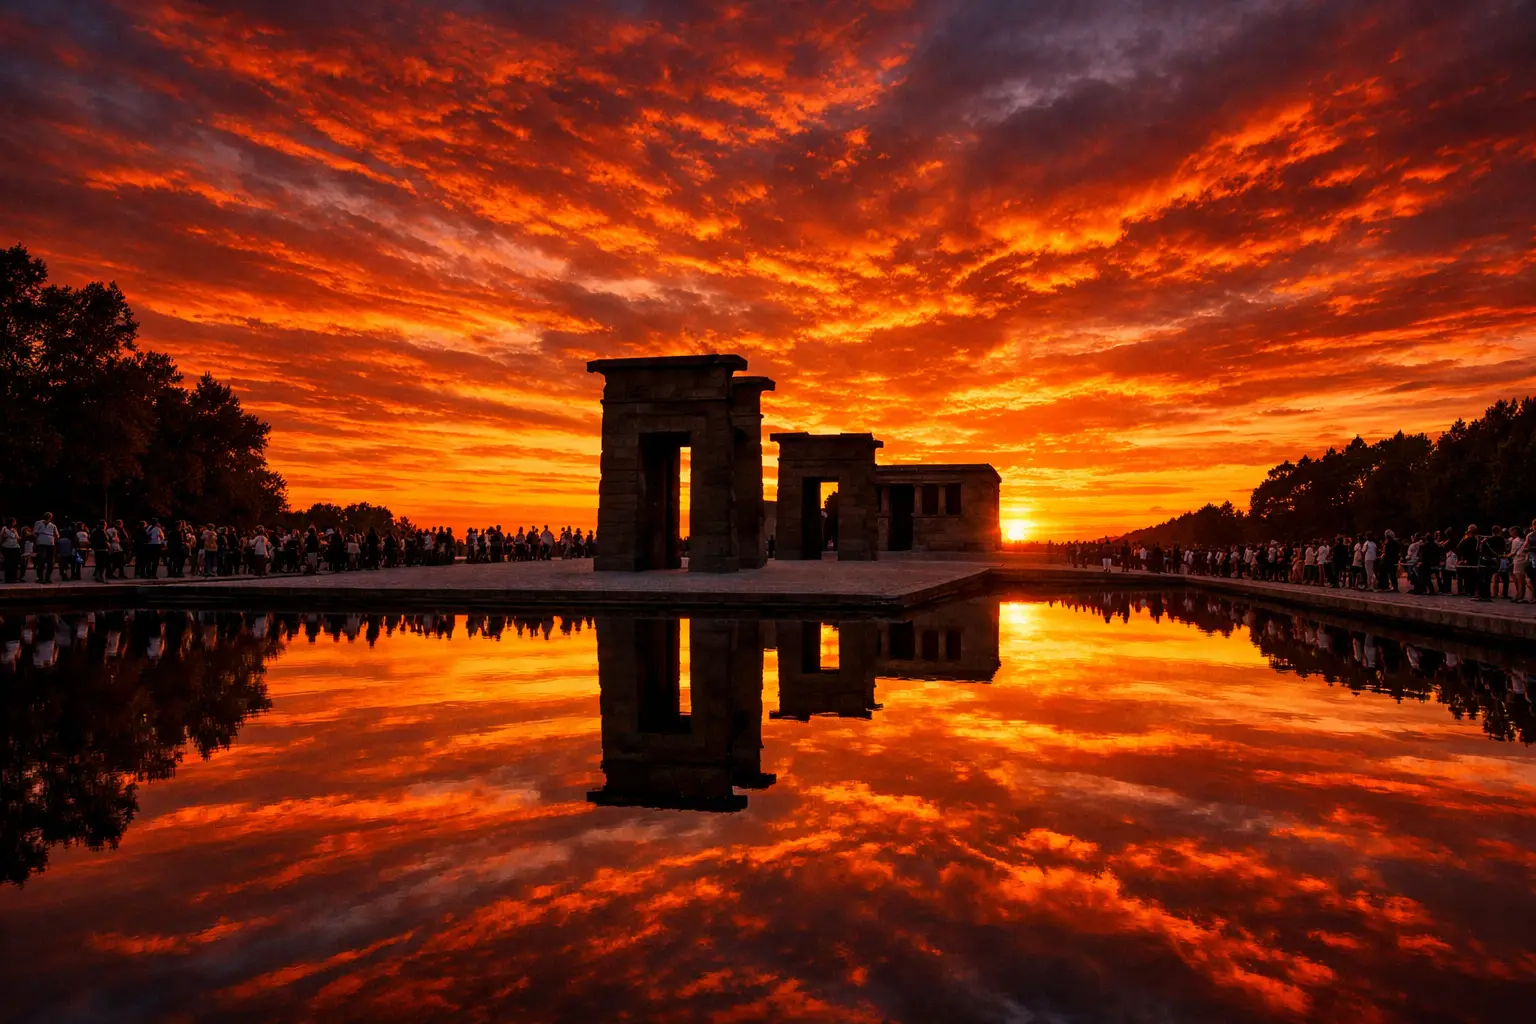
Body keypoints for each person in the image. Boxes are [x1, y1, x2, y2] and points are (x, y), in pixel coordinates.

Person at [32, 512, 58, 583]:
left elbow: (57, 535)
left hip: (50, 543)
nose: (48, 517)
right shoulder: (38, 523)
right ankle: (40, 578)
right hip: (41, 543)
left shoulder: (52, 525)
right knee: (41, 560)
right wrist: (38, 539)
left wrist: (53, 539)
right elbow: (34, 533)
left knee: (50, 562)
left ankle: (47, 578)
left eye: (49, 516)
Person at [1, 518, 20, 584]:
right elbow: (2, 537)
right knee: (8, 563)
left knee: (14, 563)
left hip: (15, 547)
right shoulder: (4, 528)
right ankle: (7, 578)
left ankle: (13, 578)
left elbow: (17, 538)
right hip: (7, 547)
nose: (14, 523)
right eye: (13, 522)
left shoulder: (14, 530)